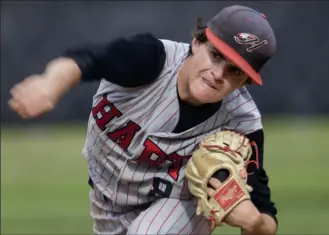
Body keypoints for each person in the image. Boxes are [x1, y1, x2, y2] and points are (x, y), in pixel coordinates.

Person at [8, 4, 278, 235]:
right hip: (107, 204)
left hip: (179, 206)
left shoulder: (241, 122)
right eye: (216, 55)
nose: (218, 74)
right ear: (197, 42)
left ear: (246, 81)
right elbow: (86, 60)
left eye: (235, 71)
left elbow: (266, 217)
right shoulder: (150, 60)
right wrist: (49, 85)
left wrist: (254, 221)